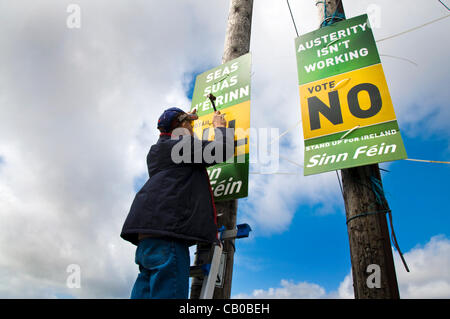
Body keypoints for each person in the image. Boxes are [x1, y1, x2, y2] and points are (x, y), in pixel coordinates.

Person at [120, 106, 234, 299]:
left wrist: (184, 120)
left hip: (147, 239)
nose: (193, 127)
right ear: (179, 126)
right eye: (190, 124)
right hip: (167, 237)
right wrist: (220, 127)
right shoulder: (178, 146)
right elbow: (222, 150)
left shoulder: (159, 150)